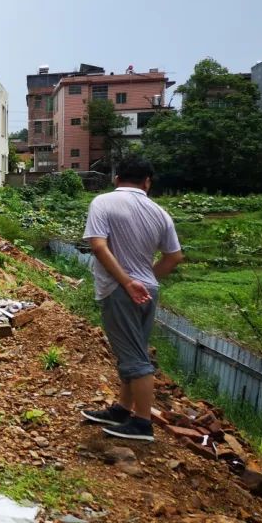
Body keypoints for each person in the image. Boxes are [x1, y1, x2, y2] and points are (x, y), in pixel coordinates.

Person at [80, 156, 183, 441]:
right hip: (148, 291)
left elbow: (98, 246)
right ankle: (123, 409)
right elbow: (174, 256)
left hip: (120, 291)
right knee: (132, 350)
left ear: (117, 178)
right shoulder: (160, 212)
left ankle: (142, 423)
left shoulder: (103, 202)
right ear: (147, 182)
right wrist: (145, 279)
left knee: (135, 359)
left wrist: (126, 282)